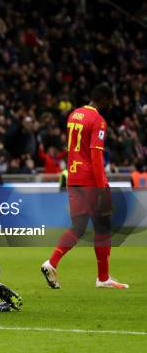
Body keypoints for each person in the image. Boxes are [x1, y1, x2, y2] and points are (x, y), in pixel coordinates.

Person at [41, 83, 128, 289]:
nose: (111, 106)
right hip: (90, 180)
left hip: (73, 177)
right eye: (110, 102)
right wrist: (102, 187)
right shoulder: (98, 120)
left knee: (78, 227)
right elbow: (96, 157)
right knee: (103, 227)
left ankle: (51, 262)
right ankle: (103, 277)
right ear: (104, 100)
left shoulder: (74, 115)